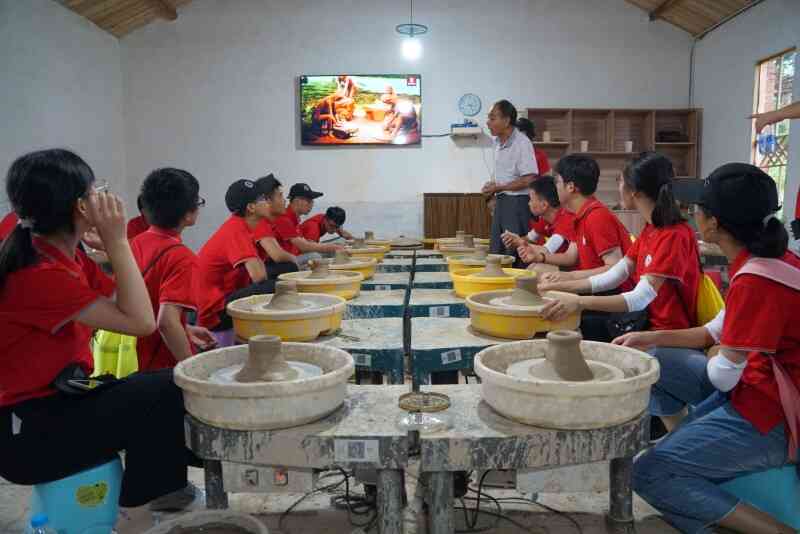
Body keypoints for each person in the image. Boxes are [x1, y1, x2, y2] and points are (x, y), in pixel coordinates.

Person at [0, 149, 200, 512]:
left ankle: (160, 490)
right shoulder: (38, 274)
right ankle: (143, 506)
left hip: (60, 397)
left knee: (157, 387)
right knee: (168, 389)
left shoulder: (62, 254)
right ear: (80, 206)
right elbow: (142, 323)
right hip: (28, 433)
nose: (104, 198)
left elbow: (119, 300)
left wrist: (113, 249)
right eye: (96, 191)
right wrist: (118, 241)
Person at [633, 163, 800, 534]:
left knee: (648, 473)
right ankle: (688, 451)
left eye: (698, 208)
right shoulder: (771, 261)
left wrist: (716, 351)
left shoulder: (757, 280)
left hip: (774, 415)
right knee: (657, 361)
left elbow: (723, 375)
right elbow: (715, 330)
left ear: (713, 223)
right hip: (757, 388)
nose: (692, 213)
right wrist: (651, 338)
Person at [540, 152, 698, 342]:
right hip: (644, 321)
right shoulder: (650, 229)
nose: (618, 187)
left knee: (575, 332)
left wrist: (578, 301)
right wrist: (559, 286)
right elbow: (615, 274)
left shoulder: (674, 235)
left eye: (620, 181)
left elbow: (640, 297)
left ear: (634, 191)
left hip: (664, 333)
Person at [131, 168, 216, 372]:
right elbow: (167, 323)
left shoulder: (136, 242)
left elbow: (148, 304)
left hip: (133, 358)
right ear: (187, 214)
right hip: (160, 365)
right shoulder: (182, 258)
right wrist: (192, 371)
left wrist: (185, 328)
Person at [195, 178, 281, 342]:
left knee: (280, 276)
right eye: (263, 199)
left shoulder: (243, 226)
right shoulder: (236, 229)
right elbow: (259, 276)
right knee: (274, 285)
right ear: (251, 208)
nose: (268, 202)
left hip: (223, 298)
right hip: (214, 312)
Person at [482, 100, 538, 258]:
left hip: (517, 204)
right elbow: (505, 176)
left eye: (492, 118)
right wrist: (492, 189)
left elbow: (529, 179)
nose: (487, 122)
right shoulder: (497, 143)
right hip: (502, 201)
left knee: (514, 253)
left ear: (506, 121)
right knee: (498, 250)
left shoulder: (522, 143)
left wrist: (499, 187)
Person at [262, 183, 344, 269]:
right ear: (297, 201)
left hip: (293, 257)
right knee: (315, 256)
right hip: (282, 263)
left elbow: (304, 244)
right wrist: (333, 247)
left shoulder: (295, 219)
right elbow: (304, 247)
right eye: (309, 201)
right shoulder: (284, 219)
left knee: (335, 246)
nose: (312, 204)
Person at [501, 176, 575, 262]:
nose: (529, 203)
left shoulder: (565, 220)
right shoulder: (544, 219)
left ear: (544, 205)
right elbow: (530, 239)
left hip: (572, 268)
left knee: (536, 267)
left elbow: (546, 250)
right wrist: (514, 240)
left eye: (531, 199)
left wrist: (520, 242)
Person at [251, 175, 302, 279]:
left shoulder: (267, 221)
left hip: (258, 270)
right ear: (267, 201)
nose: (284, 200)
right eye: (280, 196)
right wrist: (294, 260)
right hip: (244, 280)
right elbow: (277, 255)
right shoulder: (260, 222)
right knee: (291, 267)